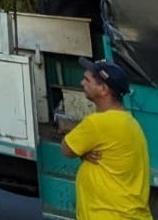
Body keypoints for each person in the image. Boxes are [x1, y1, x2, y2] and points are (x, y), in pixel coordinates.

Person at [61, 58, 152, 220]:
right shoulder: (131, 123)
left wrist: (83, 153)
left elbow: (66, 149)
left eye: (88, 80)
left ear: (103, 89)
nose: (82, 83)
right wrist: (84, 153)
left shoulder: (97, 123)